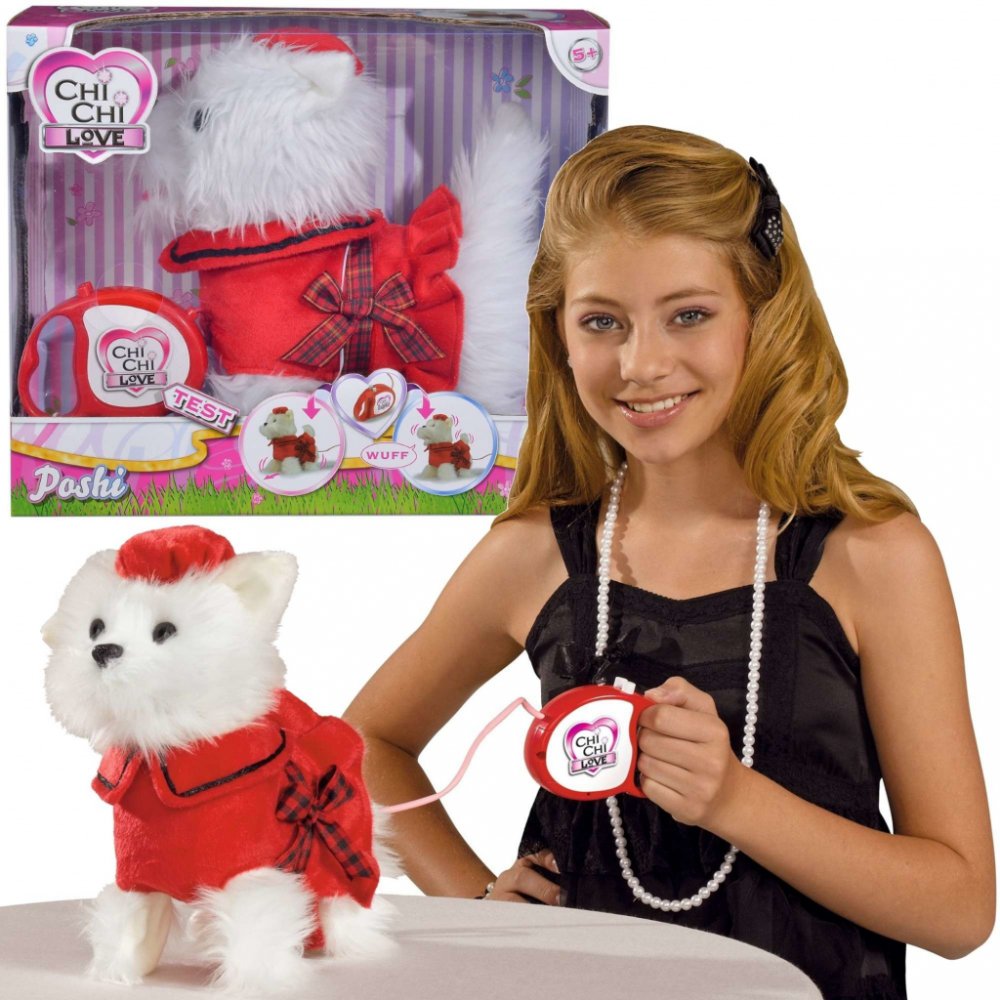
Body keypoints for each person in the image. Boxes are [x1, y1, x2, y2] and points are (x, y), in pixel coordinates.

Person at [344, 127, 994, 998]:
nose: (641, 364)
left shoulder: (875, 558)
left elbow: (960, 910)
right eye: (601, 322)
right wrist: (479, 906)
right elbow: (359, 746)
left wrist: (734, 801)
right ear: (558, 331)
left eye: (689, 314)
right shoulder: (533, 555)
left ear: (763, 313)